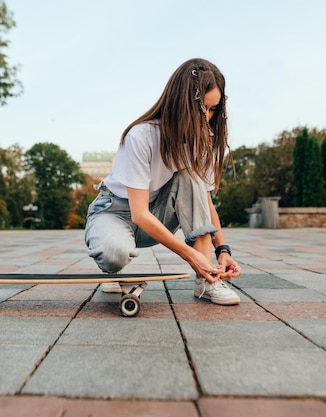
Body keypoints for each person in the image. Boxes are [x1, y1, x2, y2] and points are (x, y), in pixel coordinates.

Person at [84, 58, 242, 305]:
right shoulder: (141, 136)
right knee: (115, 254)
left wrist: (223, 251)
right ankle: (112, 271)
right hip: (116, 211)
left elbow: (205, 205)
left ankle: (207, 281)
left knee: (191, 177)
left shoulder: (200, 145)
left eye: (213, 110)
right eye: (202, 110)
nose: (207, 119)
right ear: (181, 103)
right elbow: (139, 214)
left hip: (158, 213)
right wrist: (190, 257)